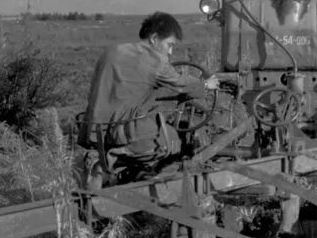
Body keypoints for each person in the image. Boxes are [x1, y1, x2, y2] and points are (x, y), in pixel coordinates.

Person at [78, 12, 219, 166]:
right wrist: (206, 84)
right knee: (173, 140)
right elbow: (180, 83)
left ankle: (112, 161)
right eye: (169, 45)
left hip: (94, 132)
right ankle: (137, 168)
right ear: (154, 39)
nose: (170, 52)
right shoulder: (155, 60)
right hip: (126, 133)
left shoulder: (112, 51)